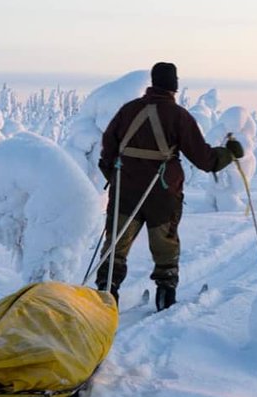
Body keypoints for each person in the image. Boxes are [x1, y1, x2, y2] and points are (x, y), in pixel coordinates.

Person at [96, 62, 244, 310]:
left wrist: (116, 176)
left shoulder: (128, 110)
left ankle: (104, 298)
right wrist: (228, 154)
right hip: (163, 195)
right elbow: (204, 159)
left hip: (125, 192)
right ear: (174, 86)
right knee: (165, 246)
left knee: (116, 247)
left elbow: (107, 152)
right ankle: (165, 296)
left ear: (153, 83)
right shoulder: (179, 116)